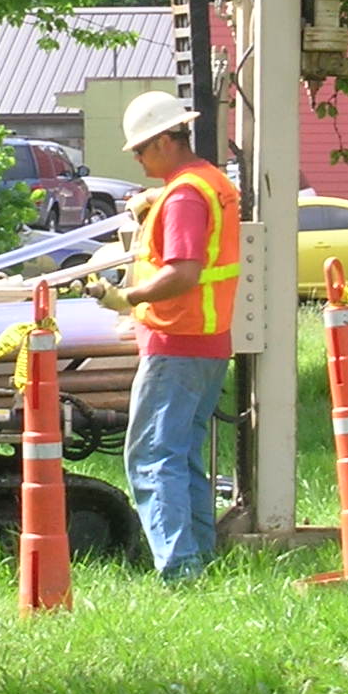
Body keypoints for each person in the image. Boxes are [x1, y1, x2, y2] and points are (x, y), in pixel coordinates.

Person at [93, 90, 241, 579]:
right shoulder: (207, 182)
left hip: (176, 341)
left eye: (139, 148)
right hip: (208, 339)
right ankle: (198, 555)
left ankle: (180, 569)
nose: (136, 158)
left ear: (163, 141)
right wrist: (158, 201)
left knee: (152, 457)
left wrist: (127, 299)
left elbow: (183, 272)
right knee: (181, 455)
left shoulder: (184, 196)